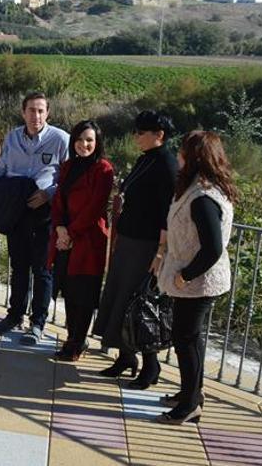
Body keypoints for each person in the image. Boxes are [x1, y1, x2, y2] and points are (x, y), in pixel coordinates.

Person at [93, 110, 178, 389]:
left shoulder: (166, 164)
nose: (136, 137)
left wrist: (160, 252)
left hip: (147, 245)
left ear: (159, 135)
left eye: (141, 133)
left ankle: (150, 367)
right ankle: (126, 357)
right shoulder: (146, 159)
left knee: (140, 303)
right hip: (129, 240)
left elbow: (168, 212)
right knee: (120, 297)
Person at [156, 130, 235, 425]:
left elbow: (213, 247)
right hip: (196, 279)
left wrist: (185, 276)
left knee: (185, 338)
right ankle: (191, 393)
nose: (178, 156)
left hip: (199, 280)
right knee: (190, 338)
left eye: (183, 152)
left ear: (194, 158)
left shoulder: (203, 197)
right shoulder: (201, 188)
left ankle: (190, 404)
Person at [0, 92, 69, 345]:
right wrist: (2, 193)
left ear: (48, 113)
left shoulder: (60, 139)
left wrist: (49, 194)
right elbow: (1, 169)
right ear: (23, 112)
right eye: (31, 110)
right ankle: (15, 315)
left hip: (44, 213)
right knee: (19, 267)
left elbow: (68, 178)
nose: (35, 116)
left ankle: (38, 323)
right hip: (17, 211)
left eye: (40, 111)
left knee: (43, 269)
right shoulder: (13, 137)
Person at [48, 120, 114, 361]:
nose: (83, 144)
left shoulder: (103, 169)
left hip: (88, 240)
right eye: (79, 139)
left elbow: (94, 207)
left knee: (83, 294)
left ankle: (77, 342)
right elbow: (58, 202)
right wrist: (61, 230)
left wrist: (71, 234)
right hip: (66, 238)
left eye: (89, 140)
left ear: (97, 143)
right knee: (69, 291)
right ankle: (71, 338)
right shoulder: (67, 166)